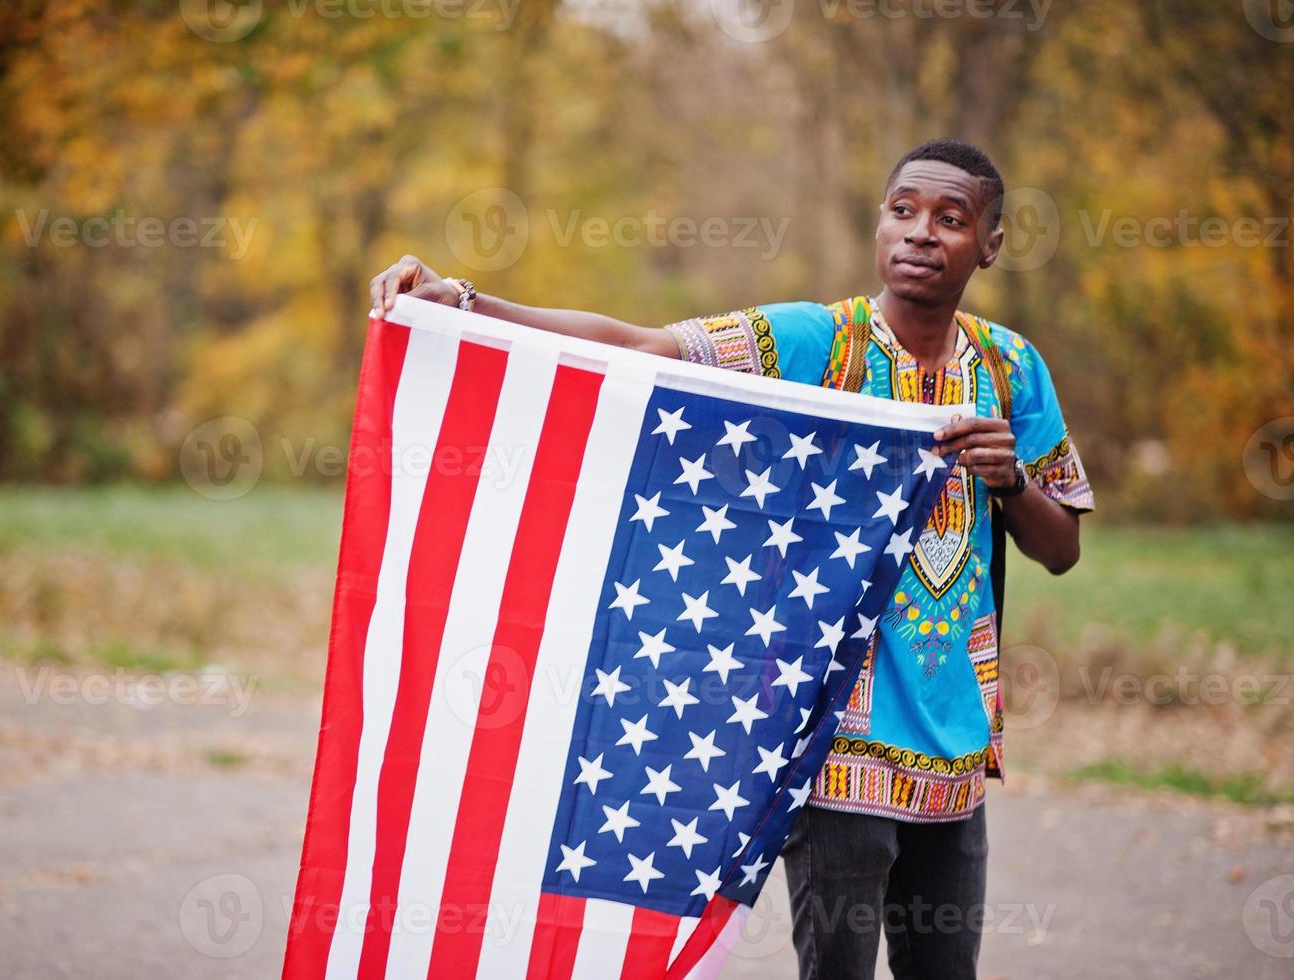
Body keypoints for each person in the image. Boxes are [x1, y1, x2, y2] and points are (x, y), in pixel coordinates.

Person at [369, 138, 1093, 980]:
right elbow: (640, 346)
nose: (920, 233)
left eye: (950, 219)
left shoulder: (1010, 368)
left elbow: (1062, 548)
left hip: (956, 748)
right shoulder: (823, 342)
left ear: (990, 246)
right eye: (901, 211)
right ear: (877, 225)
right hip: (835, 743)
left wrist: (1008, 485)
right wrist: (462, 298)